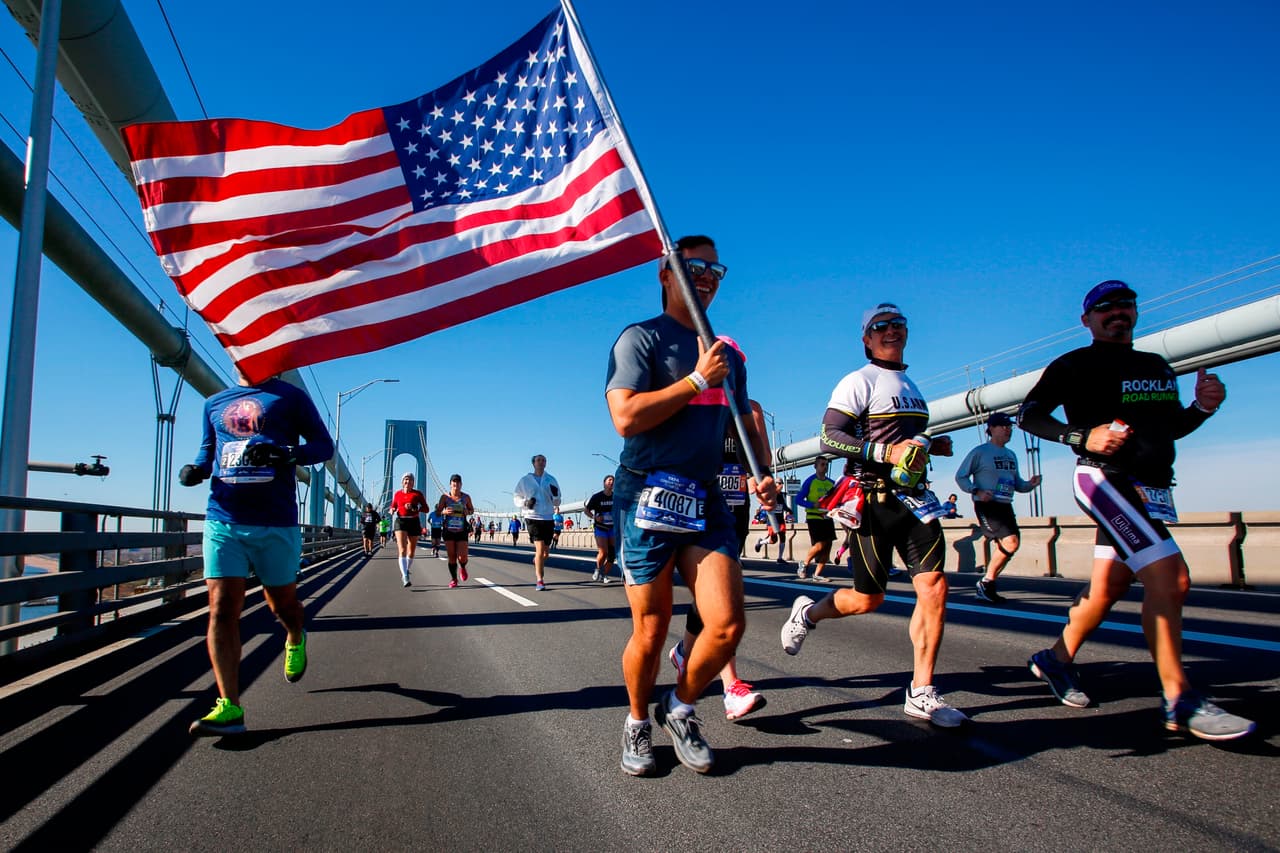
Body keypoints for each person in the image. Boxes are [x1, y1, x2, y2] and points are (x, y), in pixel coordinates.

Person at [1017, 279, 1254, 740]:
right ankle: (1180, 698)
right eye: (1104, 307)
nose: (1117, 312)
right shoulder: (1074, 365)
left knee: (1108, 588)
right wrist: (1081, 436)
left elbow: (1169, 429)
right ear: (1087, 319)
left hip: (1151, 489)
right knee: (1172, 578)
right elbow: (1029, 414)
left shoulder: (1156, 366)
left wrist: (1202, 410)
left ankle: (1054, 660)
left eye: (1125, 304)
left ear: (1135, 313)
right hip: (1104, 480)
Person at [605, 234, 776, 775]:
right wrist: (697, 379)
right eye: (693, 265)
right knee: (651, 631)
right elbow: (626, 418)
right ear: (664, 273)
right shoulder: (640, 340)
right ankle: (636, 723)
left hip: (705, 498)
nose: (706, 276)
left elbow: (742, 429)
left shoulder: (730, 355)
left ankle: (678, 707)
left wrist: (761, 478)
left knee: (725, 627)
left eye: (715, 270)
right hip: (645, 496)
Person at [780, 302, 967, 728]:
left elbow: (906, 438)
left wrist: (929, 447)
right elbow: (830, 436)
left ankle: (921, 691)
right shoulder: (858, 381)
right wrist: (886, 452)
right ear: (866, 338)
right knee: (868, 598)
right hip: (871, 503)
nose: (891, 331)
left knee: (935, 587)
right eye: (880, 326)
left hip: (915, 501)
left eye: (898, 324)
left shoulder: (912, 385)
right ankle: (807, 613)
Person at [181, 373, 333, 736]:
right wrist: (196, 470)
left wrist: (288, 453)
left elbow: (324, 447)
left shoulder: (290, 398)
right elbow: (208, 453)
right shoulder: (214, 403)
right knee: (221, 607)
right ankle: (230, 706)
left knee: (282, 606)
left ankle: (295, 635)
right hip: (224, 518)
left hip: (275, 522)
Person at [954, 412, 1042, 604]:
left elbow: (1017, 484)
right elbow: (960, 476)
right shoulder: (980, 452)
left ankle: (987, 585)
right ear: (991, 428)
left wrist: (1030, 484)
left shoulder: (1011, 455)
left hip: (1006, 505)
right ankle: (986, 583)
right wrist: (976, 491)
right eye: (1003, 426)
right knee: (1011, 542)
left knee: (1010, 544)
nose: (1008, 429)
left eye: (1010, 426)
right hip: (987, 505)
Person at [513, 454, 560, 591]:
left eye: (543, 460)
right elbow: (516, 497)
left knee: (545, 554)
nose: (541, 462)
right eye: (538, 460)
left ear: (546, 463)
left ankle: (537, 560)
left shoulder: (551, 480)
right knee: (539, 551)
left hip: (548, 517)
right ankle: (540, 580)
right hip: (532, 517)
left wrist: (555, 495)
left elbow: (557, 501)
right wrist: (525, 503)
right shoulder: (525, 480)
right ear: (533, 463)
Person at [795, 457, 837, 581]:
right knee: (820, 545)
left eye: (826, 464)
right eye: (822, 464)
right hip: (814, 517)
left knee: (828, 546)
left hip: (827, 517)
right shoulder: (810, 481)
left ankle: (817, 574)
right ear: (816, 466)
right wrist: (812, 505)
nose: (825, 467)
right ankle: (804, 564)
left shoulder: (831, 483)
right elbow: (798, 500)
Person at [435, 474, 475, 588]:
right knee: (452, 556)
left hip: (462, 530)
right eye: (453, 483)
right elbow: (437, 512)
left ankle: (462, 567)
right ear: (450, 484)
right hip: (448, 530)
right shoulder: (444, 497)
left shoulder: (466, 497)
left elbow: (472, 510)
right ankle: (454, 579)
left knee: (463, 557)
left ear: (461, 485)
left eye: (458, 483)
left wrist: (467, 511)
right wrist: (444, 512)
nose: (456, 485)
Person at [390, 473, 428, 587]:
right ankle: (405, 576)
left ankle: (405, 570)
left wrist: (415, 507)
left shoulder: (417, 494)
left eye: (411, 480)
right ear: (402, 482)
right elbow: (393, 506)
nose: (408, 482)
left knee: (411, 551)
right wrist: (392, 510)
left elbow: (426, 508)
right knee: (402, 550)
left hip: (414, 521)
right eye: (406, 480)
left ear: (413, 482)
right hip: (401, 521)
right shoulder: (397, 494)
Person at [585, 474, 616, 583]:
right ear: (604, 483)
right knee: (603, 552)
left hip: (613, 528)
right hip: (601, 528)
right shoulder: (597, 497)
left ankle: (604, 575)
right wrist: (595, 517)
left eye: (613, 480)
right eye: (609, 480)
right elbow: (586, 510)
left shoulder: (616, 497)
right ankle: (598, 569)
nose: (611, 482)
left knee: (612, 555)